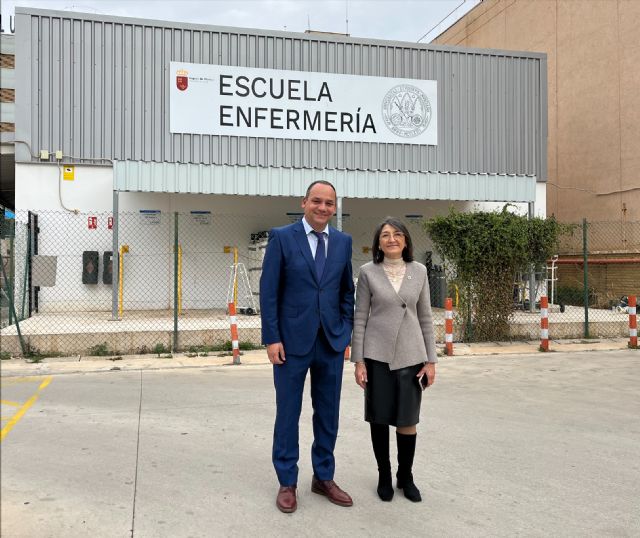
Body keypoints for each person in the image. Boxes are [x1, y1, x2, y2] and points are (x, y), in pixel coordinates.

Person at [260, 180, 355, 514]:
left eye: (329, 203)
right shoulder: (283, 238)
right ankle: (287, 481)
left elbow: (346, 291)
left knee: (328, 413)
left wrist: (344, 331)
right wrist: (272, 338)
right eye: (317, 201)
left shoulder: (343, 242)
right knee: (288, 413)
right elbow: (269, 292)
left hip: (330, 342)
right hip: (290, 343)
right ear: (304, 203)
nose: (323, 208)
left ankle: (323, 477)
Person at [351, 216, 438, 503]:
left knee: (407, 419)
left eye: (398, 234)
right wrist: (359, 360)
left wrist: (431, 360)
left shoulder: (420, 271)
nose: (392, 239)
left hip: (413, 357)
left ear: (405, 241)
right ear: (378, 242)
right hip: (377, 356)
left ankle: (406, 475)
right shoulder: (367, 272)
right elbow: (360, 317)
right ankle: (385, 475)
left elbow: (425, 317)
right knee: (379, 418)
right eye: (385, 234)